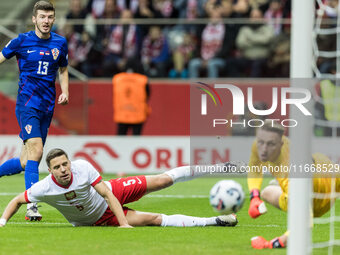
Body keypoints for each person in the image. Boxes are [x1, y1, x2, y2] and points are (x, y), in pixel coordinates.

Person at [0, 148, 238, 228]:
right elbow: (17, 200)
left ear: (70, 162)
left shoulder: (82, 168)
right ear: (50, 171)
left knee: (163, 180)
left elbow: (106, 192)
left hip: (110, 192)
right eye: (57, 167)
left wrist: (123, 224)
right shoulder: (43, 187)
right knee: (154, 219)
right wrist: (2, 221)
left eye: (65, 164)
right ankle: (214, 221)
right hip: (95, 220)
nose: (63, 169)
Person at [0, 1, 69, 221]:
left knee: (24, 161)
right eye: (42, 17)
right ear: (34, 19)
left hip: (47, 106)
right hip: (27, 104)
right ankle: (31, 206)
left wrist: (65, 91)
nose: (46, 21)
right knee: (37, 151)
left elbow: (64, 69)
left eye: (49, 17)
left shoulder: (60, 43)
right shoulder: (21, 41)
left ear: (54, 19)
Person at [247, 120, 339, 249]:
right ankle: (283, 191)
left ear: (281, 144)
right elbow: (255, 168)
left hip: (326, 188)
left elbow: (305, 223)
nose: (264, 149)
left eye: (271, 144)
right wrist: (254, 196)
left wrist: (272, 243)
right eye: (260, 142)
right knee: (266, 192)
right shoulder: (259, 146)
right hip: (303, 187)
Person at [113, 60, 150, 135]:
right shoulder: (142, 79)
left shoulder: (117, 79)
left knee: (120, 140)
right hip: (138, 114)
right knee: (136, 140)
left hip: (121, 114)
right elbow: (147, 95)